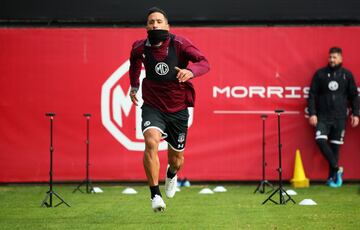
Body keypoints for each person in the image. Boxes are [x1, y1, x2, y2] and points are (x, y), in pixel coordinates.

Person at [129, 7, 210, 211]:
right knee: (151, 141)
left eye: (158, 21)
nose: (155, 24)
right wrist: (134, 86)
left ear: (167, 26)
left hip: (178, 109)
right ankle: (155, 195)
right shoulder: (140, 47)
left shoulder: (180, 44)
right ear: (146, 27)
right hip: (153, 106)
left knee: (176, 160)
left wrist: (190, 71)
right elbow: (134, 64)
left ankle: (172, 174)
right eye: (151, 22)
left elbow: (204, 62)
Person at [308, 47, 359, 188]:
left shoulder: (347, 75)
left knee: (335, 148)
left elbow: (354, 96)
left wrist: (356, 113)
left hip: (340, 117)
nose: (332, 60)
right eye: (330, 57)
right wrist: (312, 113)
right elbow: (312, 95)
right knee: (320, 140)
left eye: (335, 57)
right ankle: (337, 168)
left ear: (341, 58)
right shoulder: (320, 74)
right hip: (323, 116)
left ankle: (331, 178)